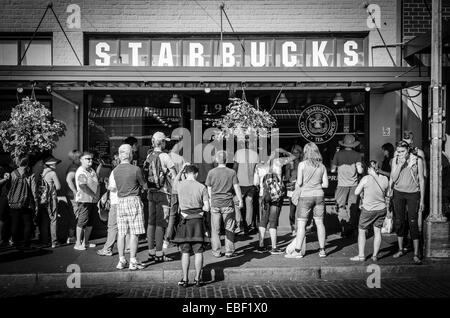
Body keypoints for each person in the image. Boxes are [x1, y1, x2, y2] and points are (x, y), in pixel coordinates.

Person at [168, 164, 210, 287]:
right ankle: (198, 279)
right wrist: (199, 209)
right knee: (198, 251)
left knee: (185, 252)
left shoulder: (180, 185)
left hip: (184, 221)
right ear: (196, 174)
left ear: (186, 173)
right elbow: (207, 207)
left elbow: (174, 181)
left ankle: (185, 279)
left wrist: (181, 169)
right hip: (198, 222)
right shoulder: (202, 187)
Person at [286, 142, 328, 259]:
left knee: (301, 225)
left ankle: (298, 251)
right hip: (319, 195)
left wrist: (306, 183)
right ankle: (322, 250)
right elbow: (325, 184)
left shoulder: (302, 165)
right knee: (320, 223)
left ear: (305, 152)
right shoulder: (322, 166)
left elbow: (299, 183)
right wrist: (316, 183)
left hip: (305, 197)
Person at [389, 140, 425, 264]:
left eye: (402, 151)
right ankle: (400, 249)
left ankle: (416, 253)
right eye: (398, 151)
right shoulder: (396, 160)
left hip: (413, 193)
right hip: (398, 193)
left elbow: (421, 179)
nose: (400, 154)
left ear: (408, 150)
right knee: (399, 221)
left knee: (413, 222)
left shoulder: (417, 159)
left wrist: (422, 200)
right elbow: (393, 178)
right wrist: (400, 164)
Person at [112, 144, 148, 270]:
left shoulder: (115, 170)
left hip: (120, 201)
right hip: (133, 200)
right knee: (134, 233)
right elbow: (144, 186)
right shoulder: (135, 169)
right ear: (130, 154)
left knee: (121, 233)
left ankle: (121, 260)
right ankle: (133, 260)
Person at [145, 131, 177, 262]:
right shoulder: (165, 156)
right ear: (162, 142)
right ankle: (159, 254)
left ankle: (151, 251)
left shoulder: (149, 156)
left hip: (150, 193)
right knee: (161, 223)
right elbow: (175, 176)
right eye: (165, 141)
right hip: (163, 194)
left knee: (151, 222)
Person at [206, 150, 243, 258]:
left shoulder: (211, 172)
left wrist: (210, 199)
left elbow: (209, 187)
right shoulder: (231, 172)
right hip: (228, 204)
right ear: (226, 160)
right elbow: (236, 187)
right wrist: (240, 200)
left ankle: (216, 251)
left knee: (215, 230)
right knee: (229, 228)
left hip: (215, 204)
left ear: (217, 160)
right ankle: (229, 251)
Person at [351, 161, 389, 262]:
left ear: (369, 169)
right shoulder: (385, 179)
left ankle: (361, 256)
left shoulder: (366, 178)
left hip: (368, 209)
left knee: (362, 231)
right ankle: (375, 255)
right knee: (377, 231)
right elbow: (388, 192)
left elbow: (356, 192)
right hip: (381, 209)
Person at [97, 154, 130, 256]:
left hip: (116, 202)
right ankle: (128, 247)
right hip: (127, 201)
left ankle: (107, 249)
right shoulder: (131, 170)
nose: (113, 162)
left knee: (112, 226)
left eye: (114, 160)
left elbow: (113, 188)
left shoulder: (114, 172)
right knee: (127, 226)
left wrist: (107, 185)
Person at [331, 134, 363, 237]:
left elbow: (332, 170)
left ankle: (344, 227)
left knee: (341, 206)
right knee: (352, 207)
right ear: (353, 145)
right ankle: (352, 227)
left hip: (341, 184)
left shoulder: (338, 154)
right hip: (354, 185)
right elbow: (360, 170)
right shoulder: (357, 155)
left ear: (344, 144)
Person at [7, 156, 38, 250]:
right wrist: (36, 204)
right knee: (27, 224)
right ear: (28, 163)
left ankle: (15, 243)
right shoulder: (30, 174)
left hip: (14, 203)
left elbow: (10, 188)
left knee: (15, 223)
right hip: (26, 203)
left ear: (18, 163)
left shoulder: (13, 173)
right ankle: (26, 244)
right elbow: (34, 191)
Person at [74, 151, 100, 251]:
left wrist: (96, 196)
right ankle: (77, 243)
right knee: (82, 221)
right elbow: (82, 186)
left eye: (91, 159)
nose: (90, 160)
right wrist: (94, 195)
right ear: (81, 160)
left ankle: (86, 242)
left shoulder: (91, 170)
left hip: (92, 200)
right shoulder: (81, 171)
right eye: (87, 159)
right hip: (84, 200)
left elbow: (95, 183)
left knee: (90, 222)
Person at [233, 139, 259, 234]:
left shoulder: (238, 153)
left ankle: (239, 224)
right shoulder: (255, 154)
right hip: (251, 184)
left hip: (240, 183)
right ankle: (248, 225)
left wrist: (232, 181)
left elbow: (235, 168)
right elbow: (257, 170)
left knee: (236, 202)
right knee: (249, 203)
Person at [38, 155, 61, 248]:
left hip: (42, 200)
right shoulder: (52, 173)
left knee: (44, 220)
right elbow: (59, 187)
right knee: (53, 220)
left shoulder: (41, 173)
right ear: (50, 164)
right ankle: (54, 242)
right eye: (54, 163)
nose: (56, 164)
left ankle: (44, 241)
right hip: (51, 199)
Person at [285, 145, 303, 235]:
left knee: (301, 209)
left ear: (300, 153)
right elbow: (287, 177)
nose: (295, 154)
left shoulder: (303, 163)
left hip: (301, 188)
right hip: (292, 188)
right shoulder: (289, 163)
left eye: (297, 153)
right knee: (292, 210)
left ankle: (300, 228)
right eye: (294, 153)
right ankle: (293, 228)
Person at [65, 150, 81, 244]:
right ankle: (71, 236)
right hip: (73, 196)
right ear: (76, 159)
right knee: (75, 216)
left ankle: (72, 236)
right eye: (80, 158)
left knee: (74, 215)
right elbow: (68, 180)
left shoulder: (75, 167)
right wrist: (75, 192)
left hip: (72, 195)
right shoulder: (73, 168)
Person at [0, 166, 10, 246]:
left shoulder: (2, 169)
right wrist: (5, 179)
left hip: (4, 197)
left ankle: (3, 238)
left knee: (3, 218)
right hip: (3, 197)